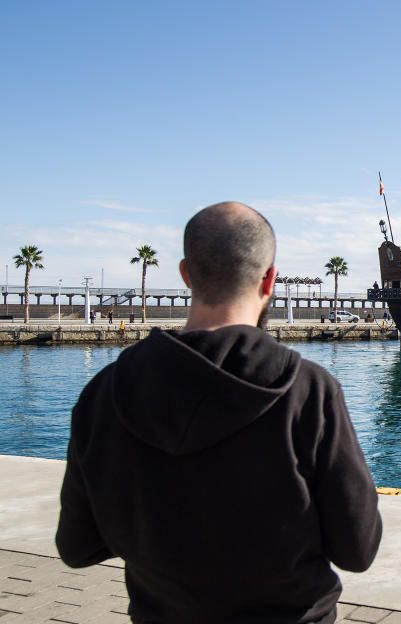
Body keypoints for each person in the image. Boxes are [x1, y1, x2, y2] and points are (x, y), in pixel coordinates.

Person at [56, 202, 382, 623]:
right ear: (270, 280)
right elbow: (357, 549)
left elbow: (77, 546)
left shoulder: (105, 392)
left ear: (186, 274)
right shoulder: (310, 393)